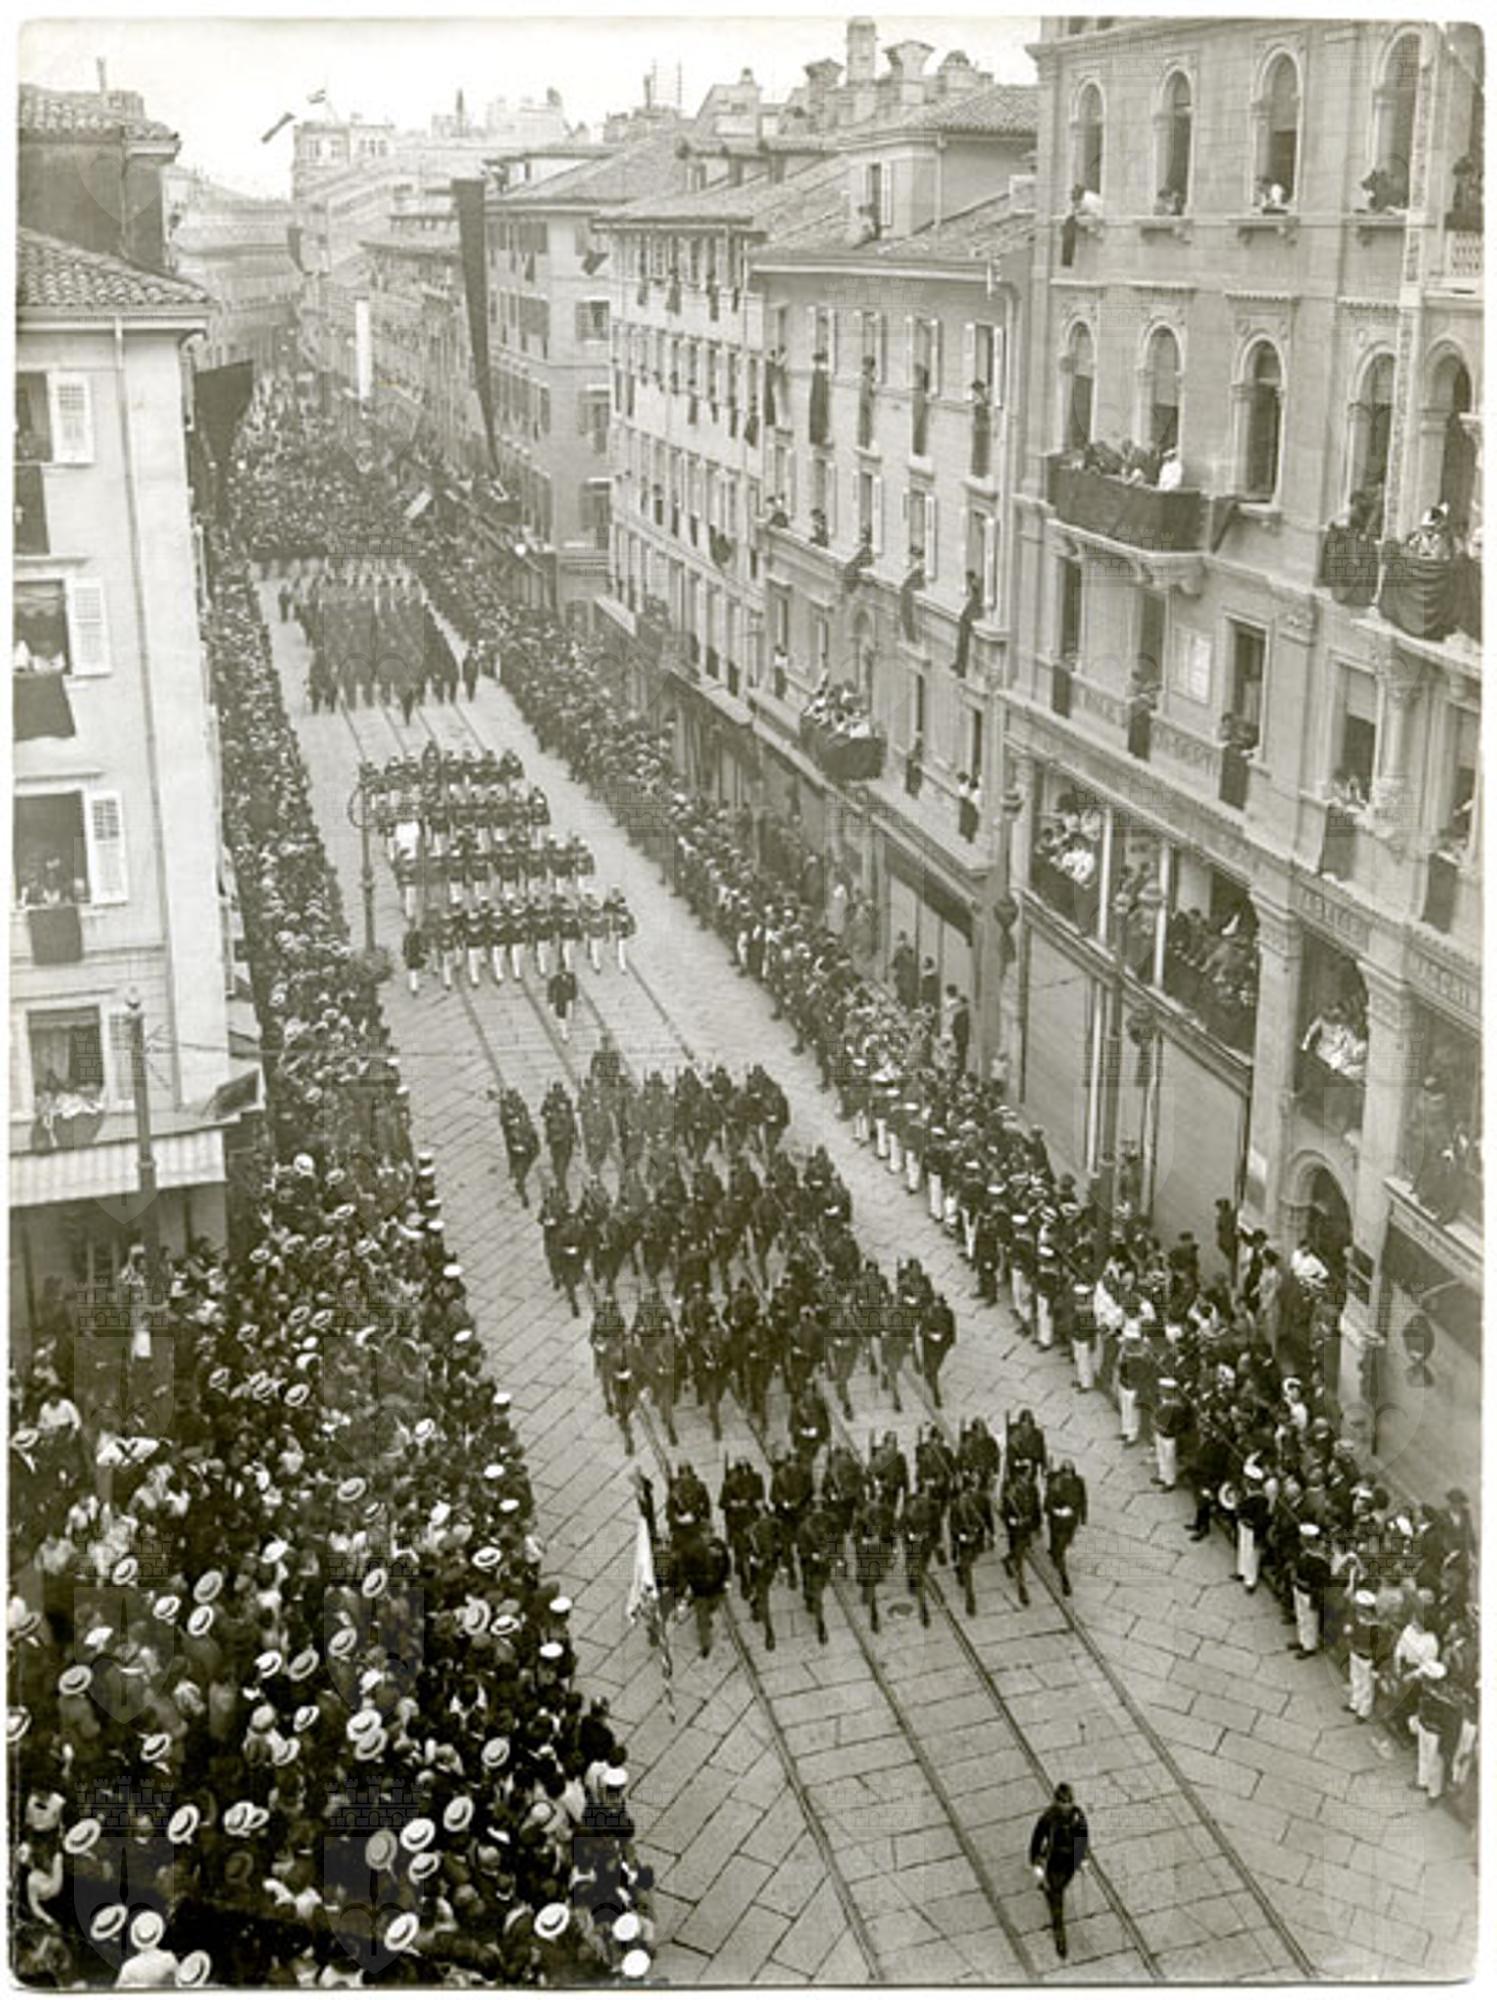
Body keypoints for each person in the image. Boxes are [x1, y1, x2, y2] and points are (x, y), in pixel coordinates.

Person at [1028, 1783, 1090, 1959]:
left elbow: (1082, 1838)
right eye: (1062, 1802)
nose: (1065, 1806)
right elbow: (1036, 1841)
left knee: (1061, 1886)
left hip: (1070, 1861)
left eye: (1068, 1802)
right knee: (1057, 1899)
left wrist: (1082, 1858)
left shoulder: (1077, 1816)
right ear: (1055, 1801)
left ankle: (1049, 1890)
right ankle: (1060, 1936)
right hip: (1053, 1861)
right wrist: (1036, 1862)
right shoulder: (1048, 1818)